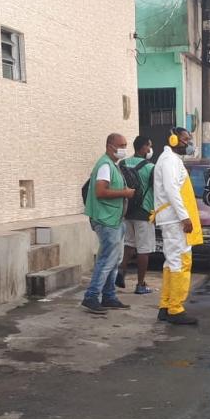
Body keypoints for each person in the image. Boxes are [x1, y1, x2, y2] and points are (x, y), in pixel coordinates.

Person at [152, 127, 203, 325]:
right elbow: (172, 190)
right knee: (180, 262)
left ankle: (166, 305)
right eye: (185, 140)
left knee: (171, 262)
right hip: (175, 220)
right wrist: (184, 217)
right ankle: (176, 308)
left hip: (171, 219)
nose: (188, 144)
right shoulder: (170, 161)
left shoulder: (170, 160)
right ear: (173, 139)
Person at [81, 133, 136, 314]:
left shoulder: (113, 165)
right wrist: (124, 193)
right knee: (106, 260)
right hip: (106, 220)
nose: (124, 149)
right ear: (110, 146)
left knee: (114, 260)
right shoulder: (105, 165)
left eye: (125, 145)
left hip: (114, 219)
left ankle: (108, 296)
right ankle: (91, 296)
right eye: (121, 145)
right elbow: (101, 191)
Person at [116, 136, 156, 294]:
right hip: (144, 211)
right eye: (149, 146)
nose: (150, 150)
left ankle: (121, 272)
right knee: (144, 249)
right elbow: (157, 190)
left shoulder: (123, 163)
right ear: (143, 147)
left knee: (129, 244)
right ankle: (141, 284)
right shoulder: (150, 167)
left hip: (127, 210)